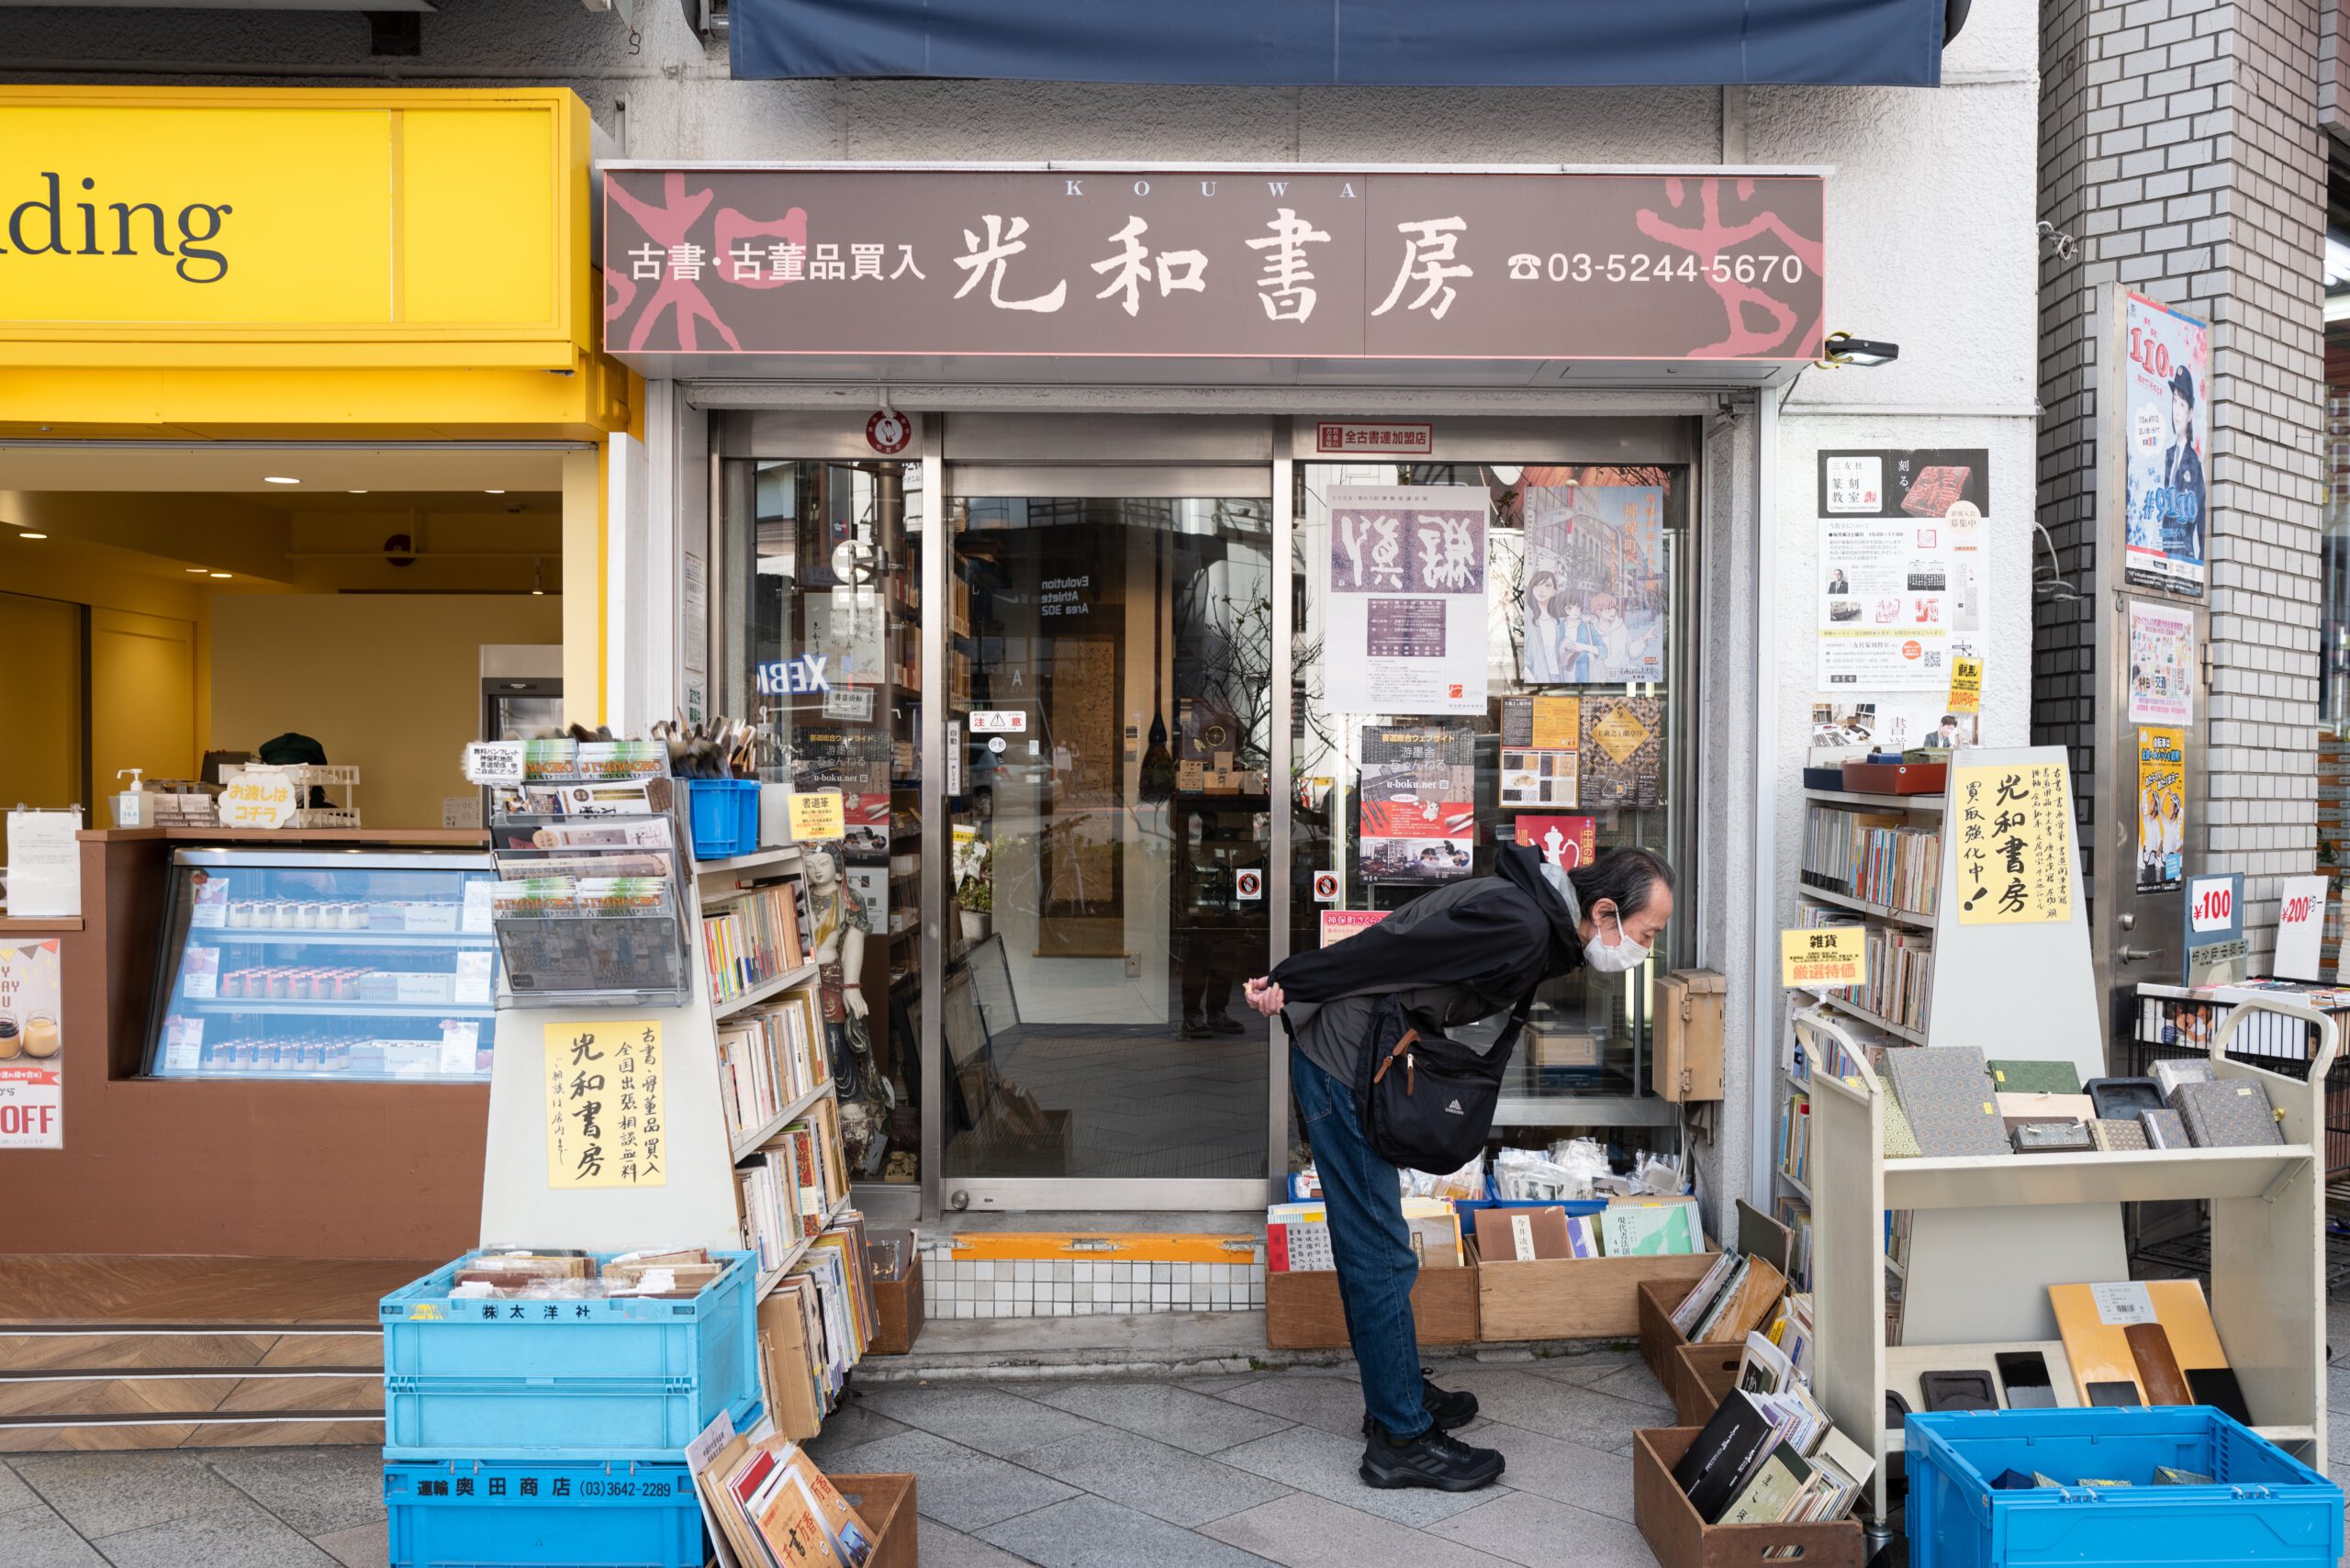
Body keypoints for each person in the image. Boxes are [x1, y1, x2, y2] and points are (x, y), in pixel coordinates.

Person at [1244, 845, 1676, 1492]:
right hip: (1346, 1064)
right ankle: (1401, 1438)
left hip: (1364, 1057)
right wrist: (1291, 981)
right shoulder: (1520, 923)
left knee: (1379, 1244)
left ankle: (1398, 1393)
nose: (1646, 948)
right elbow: (1388, 950)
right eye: (1648, 934)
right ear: (1606, 911)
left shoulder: (1533, 920)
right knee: (1380, 1252)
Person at [2161, 366, 2206, 567]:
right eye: (2174, 402)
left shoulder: (2194, 462)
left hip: (2183, 560)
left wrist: (2199, 567)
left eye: (2182, 404)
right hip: (2164, 555)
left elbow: (2202, 518)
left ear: (2190, 414)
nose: (2176, 411)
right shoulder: (2169, 455)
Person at [1520, 571, 1567, 684]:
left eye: (1547, 585)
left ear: (1554, 592)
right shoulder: (1526, 616)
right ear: (1532, 588)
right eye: (1537, 585)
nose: (1541, 590)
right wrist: (1532, 680)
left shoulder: (1556, 621)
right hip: (1537, 679)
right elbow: (1522, 653)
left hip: (1557, 677)